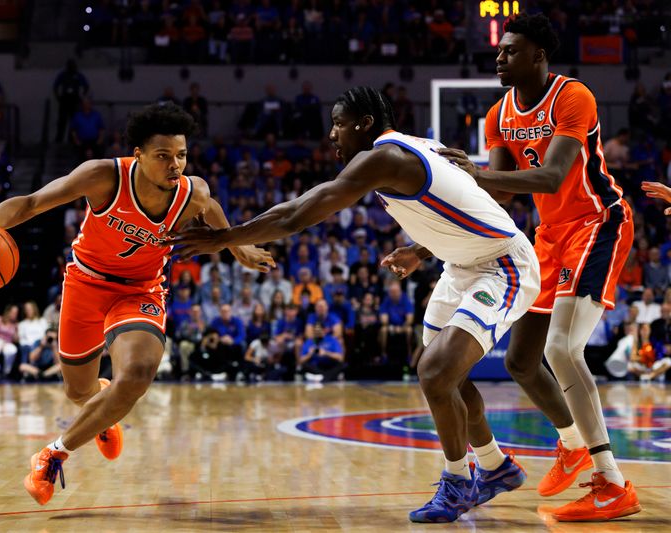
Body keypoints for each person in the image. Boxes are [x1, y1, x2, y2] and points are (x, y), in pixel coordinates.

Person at [173, 86, 540, 522]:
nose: (332, 134)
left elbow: (299, 213)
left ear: (365, 123)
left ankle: (460, 482)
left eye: (339, 124)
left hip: (502, 266)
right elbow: (463, 206)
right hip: (459, 265)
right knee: (445, 376)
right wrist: (419, 250)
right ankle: (496, 466)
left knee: (435, 372)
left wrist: (224, 238)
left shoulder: (383, 156)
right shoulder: (420, 147)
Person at [0, 104, 272, 506]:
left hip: (141, 290)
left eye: (181, 155)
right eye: (163, 156)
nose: (175, 165)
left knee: (137, 372)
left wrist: (238, 247)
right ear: (138, 155)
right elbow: (29, 204)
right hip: (86, 283)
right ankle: (99, 405)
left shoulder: (192, 192)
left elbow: (213, 210)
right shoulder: (102, 176)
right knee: (78, 390)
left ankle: (52, 454)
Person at [437, 13, 640, 521]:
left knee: (563, 350)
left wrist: (478, 173)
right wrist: (457, 183)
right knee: (521, 361)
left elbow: (550, 178)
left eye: (510, 50)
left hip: (597, 222)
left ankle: (610, 482)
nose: (500, 57)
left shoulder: (573, 96)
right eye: (500, 50)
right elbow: (502, 190)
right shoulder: (496, 115)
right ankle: (572, 443)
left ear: (538, 56)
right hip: (548, 237)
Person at [53, 59, 90, 143]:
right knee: (62, 120)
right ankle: (59, 139)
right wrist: (58, 97)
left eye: (73, 65)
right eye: (70, 65)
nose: (71, 67)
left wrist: (81, 97)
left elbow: (86, 86)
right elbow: (55, 86)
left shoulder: (78, 75)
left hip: (74, 100)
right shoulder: (63, 75)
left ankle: (72, 140)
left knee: (73, 121)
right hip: (65, 99)